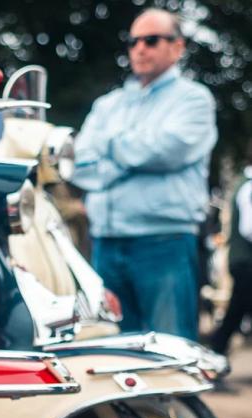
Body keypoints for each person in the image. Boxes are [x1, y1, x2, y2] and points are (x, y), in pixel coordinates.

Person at [70, 8, 217, 339]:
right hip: (106, 243)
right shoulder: (108, 104)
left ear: (177, 47)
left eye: (151, 40)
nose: (140, 48)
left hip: (164, 242)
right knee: (111, 348)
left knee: (171, 349)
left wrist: (106, 149)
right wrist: (131, 156)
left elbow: (167, 149)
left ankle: (173, 394)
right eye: (134, 41)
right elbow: (79, 165)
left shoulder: (194, 100)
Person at [208, 147, 252, 358]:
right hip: (246, 262)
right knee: (236, 311)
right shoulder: (249, 187)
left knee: (236, 311)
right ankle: (215, 353)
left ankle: (216, 351)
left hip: (243, 261)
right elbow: (249, 228)